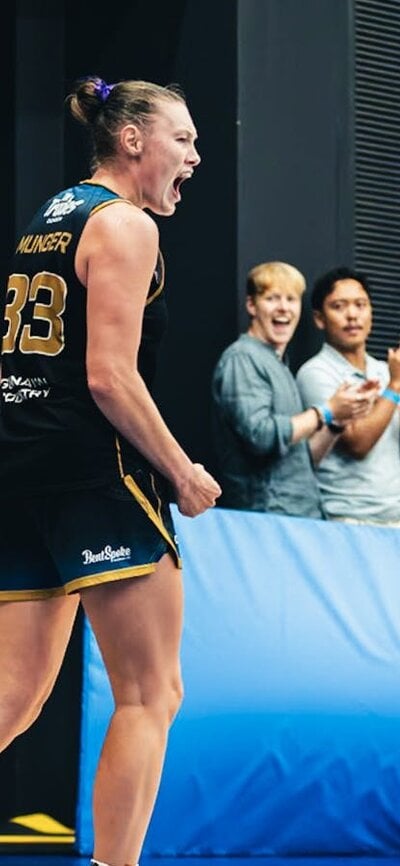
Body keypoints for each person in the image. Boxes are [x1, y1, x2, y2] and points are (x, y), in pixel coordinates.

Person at [0, 76, 221, 866]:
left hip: (22, 471)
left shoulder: (53, 214)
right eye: (184, 140)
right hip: (96, 477)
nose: (196, 156)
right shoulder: (125, 225)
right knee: (151, 693)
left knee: (14, 700)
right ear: (133, 140)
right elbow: (109, 377)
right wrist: (183, 471)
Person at [211, 261, 376, 517]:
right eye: (272, 298)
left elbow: (301, 461)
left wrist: (338, 420)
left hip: (299, 516)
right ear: (252, 305)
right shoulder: (242, 358)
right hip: (268, 519)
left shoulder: (278, 364)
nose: (284, 308)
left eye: (291, 298)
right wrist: (325, 411)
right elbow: (261, 437)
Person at [296, 266, 400, 525]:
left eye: (360, 304)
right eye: (339, 306)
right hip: (347, 518)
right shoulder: (315, 372)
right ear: (320, 319)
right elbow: (358, 444)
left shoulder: (383, 369)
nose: (352, 315)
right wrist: (395, 386)